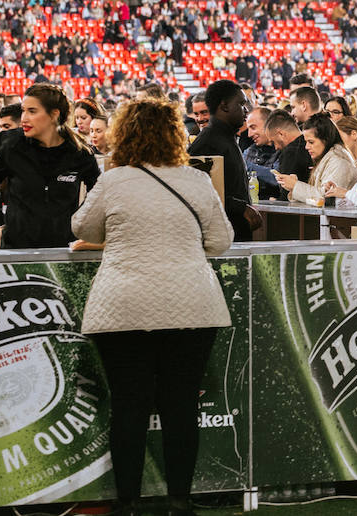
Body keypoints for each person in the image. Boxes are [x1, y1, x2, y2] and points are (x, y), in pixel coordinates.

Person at [71, 96, 233, 514]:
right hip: (192, 304)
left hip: (123, 304)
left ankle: (127, 503)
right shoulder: (196, 180)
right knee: (181, 406)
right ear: (176, 134)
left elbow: (82, 225)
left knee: (129, 406)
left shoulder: (114, 179)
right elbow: (220, 242)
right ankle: (179, 499)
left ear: (122, 134)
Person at [0, 83, 100, 249]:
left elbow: (98, 191)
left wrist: (80, 221)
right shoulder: (12, 147)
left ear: (54, 114)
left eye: (32, 111)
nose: (24, 118)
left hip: (63, 251)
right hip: (17, 249)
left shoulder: (79, 152)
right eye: (23, 110)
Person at [188, 79, 253, 242]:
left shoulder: (226, 138)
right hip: (221, 241)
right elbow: (198, 192)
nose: (246, 111)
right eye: (241, 104)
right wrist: (241, 208)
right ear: (224, 106)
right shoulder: (208, 142)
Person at [277, 115, 357, 205]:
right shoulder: (328, 158)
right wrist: (293, 187)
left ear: (326, 140)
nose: (306, 147)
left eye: (311, 142)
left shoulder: (340, 163)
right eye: (306, 142)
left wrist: (295, 185)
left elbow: (326, 200)